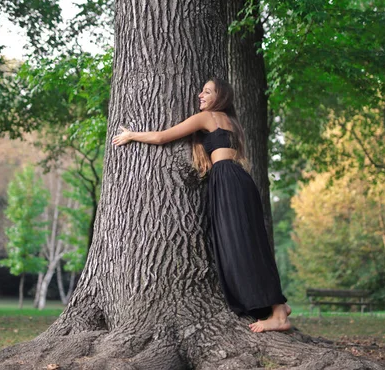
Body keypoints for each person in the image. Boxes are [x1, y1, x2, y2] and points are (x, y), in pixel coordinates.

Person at [112, 77, 291, 333]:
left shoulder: (208, 117)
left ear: (220, 96)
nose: (200, 95)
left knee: (240, 246)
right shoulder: (232, 122)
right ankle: (278, 307)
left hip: (228, 181)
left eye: (207, 92)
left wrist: (131, 135)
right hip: (238, 179)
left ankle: (278, 313)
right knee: (252, 243)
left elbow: (163, 137)